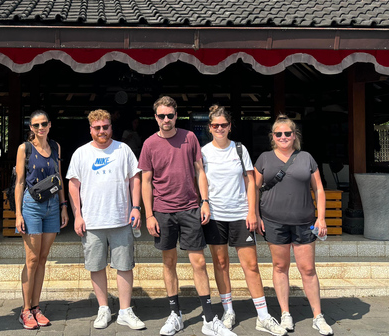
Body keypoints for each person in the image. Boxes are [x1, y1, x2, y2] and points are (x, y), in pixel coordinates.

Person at [139, 96, 235, 336]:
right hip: (162, 210)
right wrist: (148, 214)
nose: (166, 120)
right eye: (161, 116)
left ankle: (209, 317)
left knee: (199, 262)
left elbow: (200, 171)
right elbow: (146, 181)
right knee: (168, 262)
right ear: (155, 117)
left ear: (176, 115)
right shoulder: (149, 144)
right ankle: (175, 314)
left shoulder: (189, 137)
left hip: (191, 207)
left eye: (170, 115)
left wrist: (205, 201)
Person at [201, 105, 286, 336]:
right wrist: (204, 202)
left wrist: (253, 212)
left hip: (240, 214)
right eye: (215, 125)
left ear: (230, 126)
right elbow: (201, 181)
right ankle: (228, 310)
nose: (220, 128)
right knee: (220, 264)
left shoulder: (239, 149)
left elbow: (250, 181)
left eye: (224, 125)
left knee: (251, 265)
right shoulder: (203, 152)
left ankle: (263, 316)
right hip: (216, 216)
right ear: (209, 127)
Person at [254, 115, 333, 336]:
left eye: (287, 133)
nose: (283, 137)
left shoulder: (306, 158)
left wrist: (321, 217)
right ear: (272, 136)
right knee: (280, 267)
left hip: (304, 221)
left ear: (294, 135)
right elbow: (253, 187)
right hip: (273, 221)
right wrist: (255, 214)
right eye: (278, 134)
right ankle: (285, 313)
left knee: (308, 269)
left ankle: (318, 316)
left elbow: (318, 188)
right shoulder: (264, 159)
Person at [67, 109, 146, 330]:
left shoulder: (123, 149)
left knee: (124, 266)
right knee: (96, 266)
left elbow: (135, 178)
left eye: (106, 127)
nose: (102, 131)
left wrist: (136, 207)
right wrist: (78, 215)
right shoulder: (81, 153)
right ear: (90, 129)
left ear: (111, 127)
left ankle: (125, 310)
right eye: (97, 128)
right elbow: (73, 185)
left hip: (121, 219)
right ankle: (103, 308)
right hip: (92, 221)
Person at [15, 109, 69, 330]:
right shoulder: (24, 149)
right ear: (31, 128)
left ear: (49, 125)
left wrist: (64, 206)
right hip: (32, 205)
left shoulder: (55, 147)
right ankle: (25, 310)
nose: (40, 128)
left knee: (43, 257)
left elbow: (59, 178)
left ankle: (36, 307)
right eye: (35, 125)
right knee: (32, 259)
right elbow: (19, 182)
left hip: (52, 205)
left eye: (43, 124)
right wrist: (18, 213)